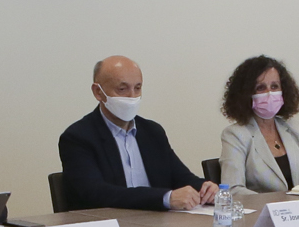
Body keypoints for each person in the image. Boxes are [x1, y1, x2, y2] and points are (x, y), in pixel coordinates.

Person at [59, 56, 215, 212]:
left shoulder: (152, 132)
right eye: (122, 89)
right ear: (98, 92)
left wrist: (206, 189)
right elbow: (96, 193)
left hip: (158, 223)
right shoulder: (78, 137)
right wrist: (164, 198)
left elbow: (181, 177)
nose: (132, 96)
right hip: (109, 223)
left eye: (138, 88)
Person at [217, 55, 299, 193]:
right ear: (246, 94)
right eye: (260, 88)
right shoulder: (235, 135)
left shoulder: (294, 128)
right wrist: (277, 203)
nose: (269, 93)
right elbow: (234, 189)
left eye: (275, 86)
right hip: (260, 207)